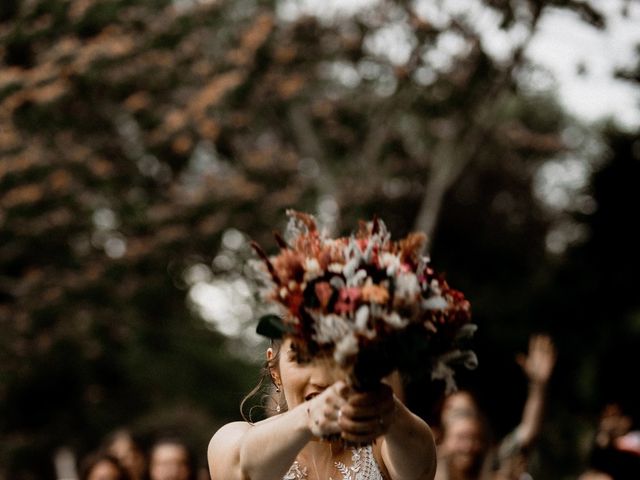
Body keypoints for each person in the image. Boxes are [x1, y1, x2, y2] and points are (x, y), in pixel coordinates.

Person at [207, 336, 437, 480]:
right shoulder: (232, 438)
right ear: (275, 368)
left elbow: (421, 470)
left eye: (340, 357)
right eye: (304, 358)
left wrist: (387, 409)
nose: (322, 377)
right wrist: (309, 417)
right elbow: (243, 470)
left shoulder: (383, 442)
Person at [436, 334, 556, 480]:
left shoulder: (493, 465)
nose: (467, 447)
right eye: (461, 438)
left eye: (473, 438)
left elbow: (527, 432)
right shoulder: (422, 465)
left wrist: (538, 387)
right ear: (443, 436)